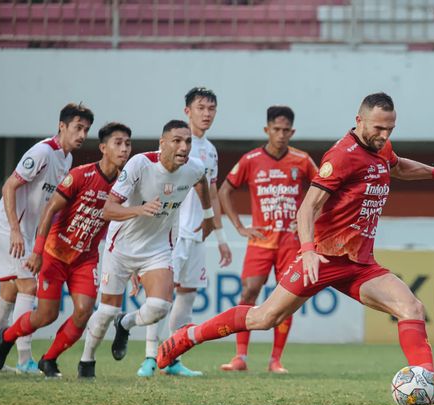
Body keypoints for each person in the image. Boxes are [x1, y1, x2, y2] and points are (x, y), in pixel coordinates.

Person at [158, 93, 434, 402]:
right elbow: (307, 208)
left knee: (413, 308)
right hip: (322, 258)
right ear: (359, 120)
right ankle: (187, 336)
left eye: (389, 129)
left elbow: (397, 166)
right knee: (263, 317)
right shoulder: (341, 156)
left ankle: (427, 381)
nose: (383, 135)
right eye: (378, 128)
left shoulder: (382, 147)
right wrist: (308, 250)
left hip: (360, 264)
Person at [0, 122, 132, 377]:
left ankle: (50, 359)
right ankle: (8, 336)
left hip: (85, 260)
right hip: (55, 254)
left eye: (127, 144)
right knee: (46, 315)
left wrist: (133, 267)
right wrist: (38, 252)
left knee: (84, 311)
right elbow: (49, 210)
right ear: (103, 148)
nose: (124, 149)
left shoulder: (125, 186)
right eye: (118, 143)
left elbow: (124, 227)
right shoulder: (80, 175)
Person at [78, 119, 215, 378]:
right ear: (162, 143)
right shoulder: (141, 164)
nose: (184, 146)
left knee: (160, 307)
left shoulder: (194, 167)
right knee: (106, 310)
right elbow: (107, 210)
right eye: (177, 140)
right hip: (121, 247)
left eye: (187, 141)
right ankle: (87, 361)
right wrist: (139, 209)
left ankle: (126, 323)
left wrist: (208, 216)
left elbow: (202, 181)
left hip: (158, 248)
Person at [0, 103, 93, 374]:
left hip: (27, 232)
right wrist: (16, 230)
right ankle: (24, 360)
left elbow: (49, 205)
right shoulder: (42, 152)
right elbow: (10, 185)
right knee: (29, 287)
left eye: (86, 129)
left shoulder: (67, 159)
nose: (82, 134)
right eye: (77, 127)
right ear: (62, 126)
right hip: (10, 227)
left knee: (9, 292)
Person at [137, 87, 232, 378]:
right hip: (170, 233)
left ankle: (172, 357)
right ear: (187, 111)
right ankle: (150, 357)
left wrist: (219, 236)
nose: (207, 114)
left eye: (211, 109)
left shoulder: (211, 151)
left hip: (197, 235)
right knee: (161, 297)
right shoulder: (171, 147)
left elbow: (212, 195)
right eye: (201, 108)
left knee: (187, 296)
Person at [218, 105, 317, 374]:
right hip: (260, 240)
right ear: (267, 130)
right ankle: (240, 357)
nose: (281, 134)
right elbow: (224, 190)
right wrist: (239, 226)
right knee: (249, 291)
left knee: (286, 299)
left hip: (291, 242)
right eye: (276, 129)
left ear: (292, 131)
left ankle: (276, 360)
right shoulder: (250, 160)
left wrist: (310, 226)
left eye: (286, 130)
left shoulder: (302, 160)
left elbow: (324, 190)